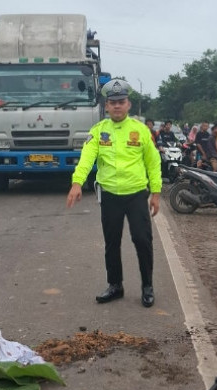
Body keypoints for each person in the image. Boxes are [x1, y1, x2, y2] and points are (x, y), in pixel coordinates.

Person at [66, 79, 161, 308]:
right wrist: (77, 182)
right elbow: (87, 158)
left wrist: (156, 192)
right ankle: (115, 285)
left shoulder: (140, 130)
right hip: (110, 196)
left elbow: (153, 162)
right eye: (112, 102)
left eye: (121, 101)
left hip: (136, 194)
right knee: (112, 242)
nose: (117, 106)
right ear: (106, 106)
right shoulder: (98, 132)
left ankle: (147, 286)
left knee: (142, 240)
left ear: (128, 104)